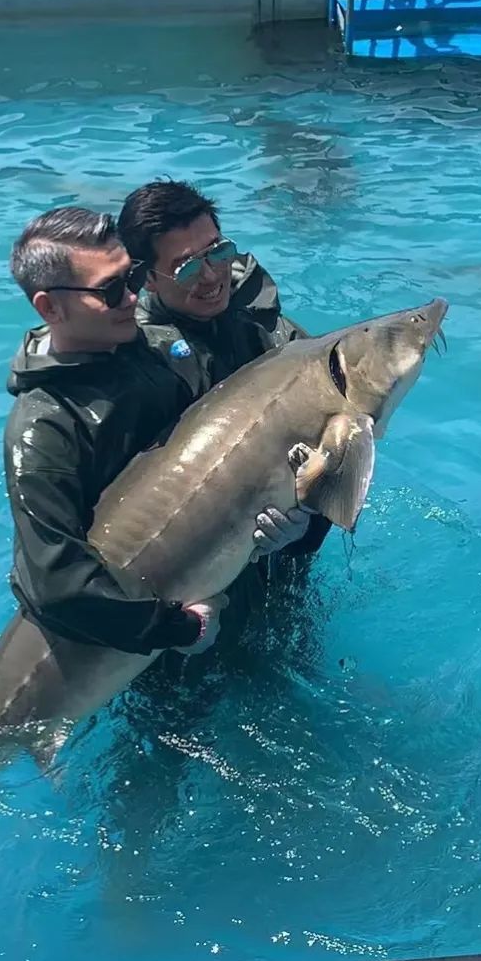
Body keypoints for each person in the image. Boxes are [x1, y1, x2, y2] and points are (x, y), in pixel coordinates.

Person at [3, 204, 309, 659]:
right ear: (50, 307)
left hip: (242, 584)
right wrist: (179, 630)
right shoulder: (45, 428)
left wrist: (305, 517)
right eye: (110, 291)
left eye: (130, 279)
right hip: (154, 639)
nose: (131, 299)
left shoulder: (165, 346)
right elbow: (54, 583)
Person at [116, 179, 333, 638]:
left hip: (275, 566)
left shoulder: (267, 330)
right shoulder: (131, 369)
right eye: (186, 266)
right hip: (179, 608)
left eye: (217, 251)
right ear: (145, 277)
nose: (212, 276)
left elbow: (333, 443)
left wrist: (307, 529)